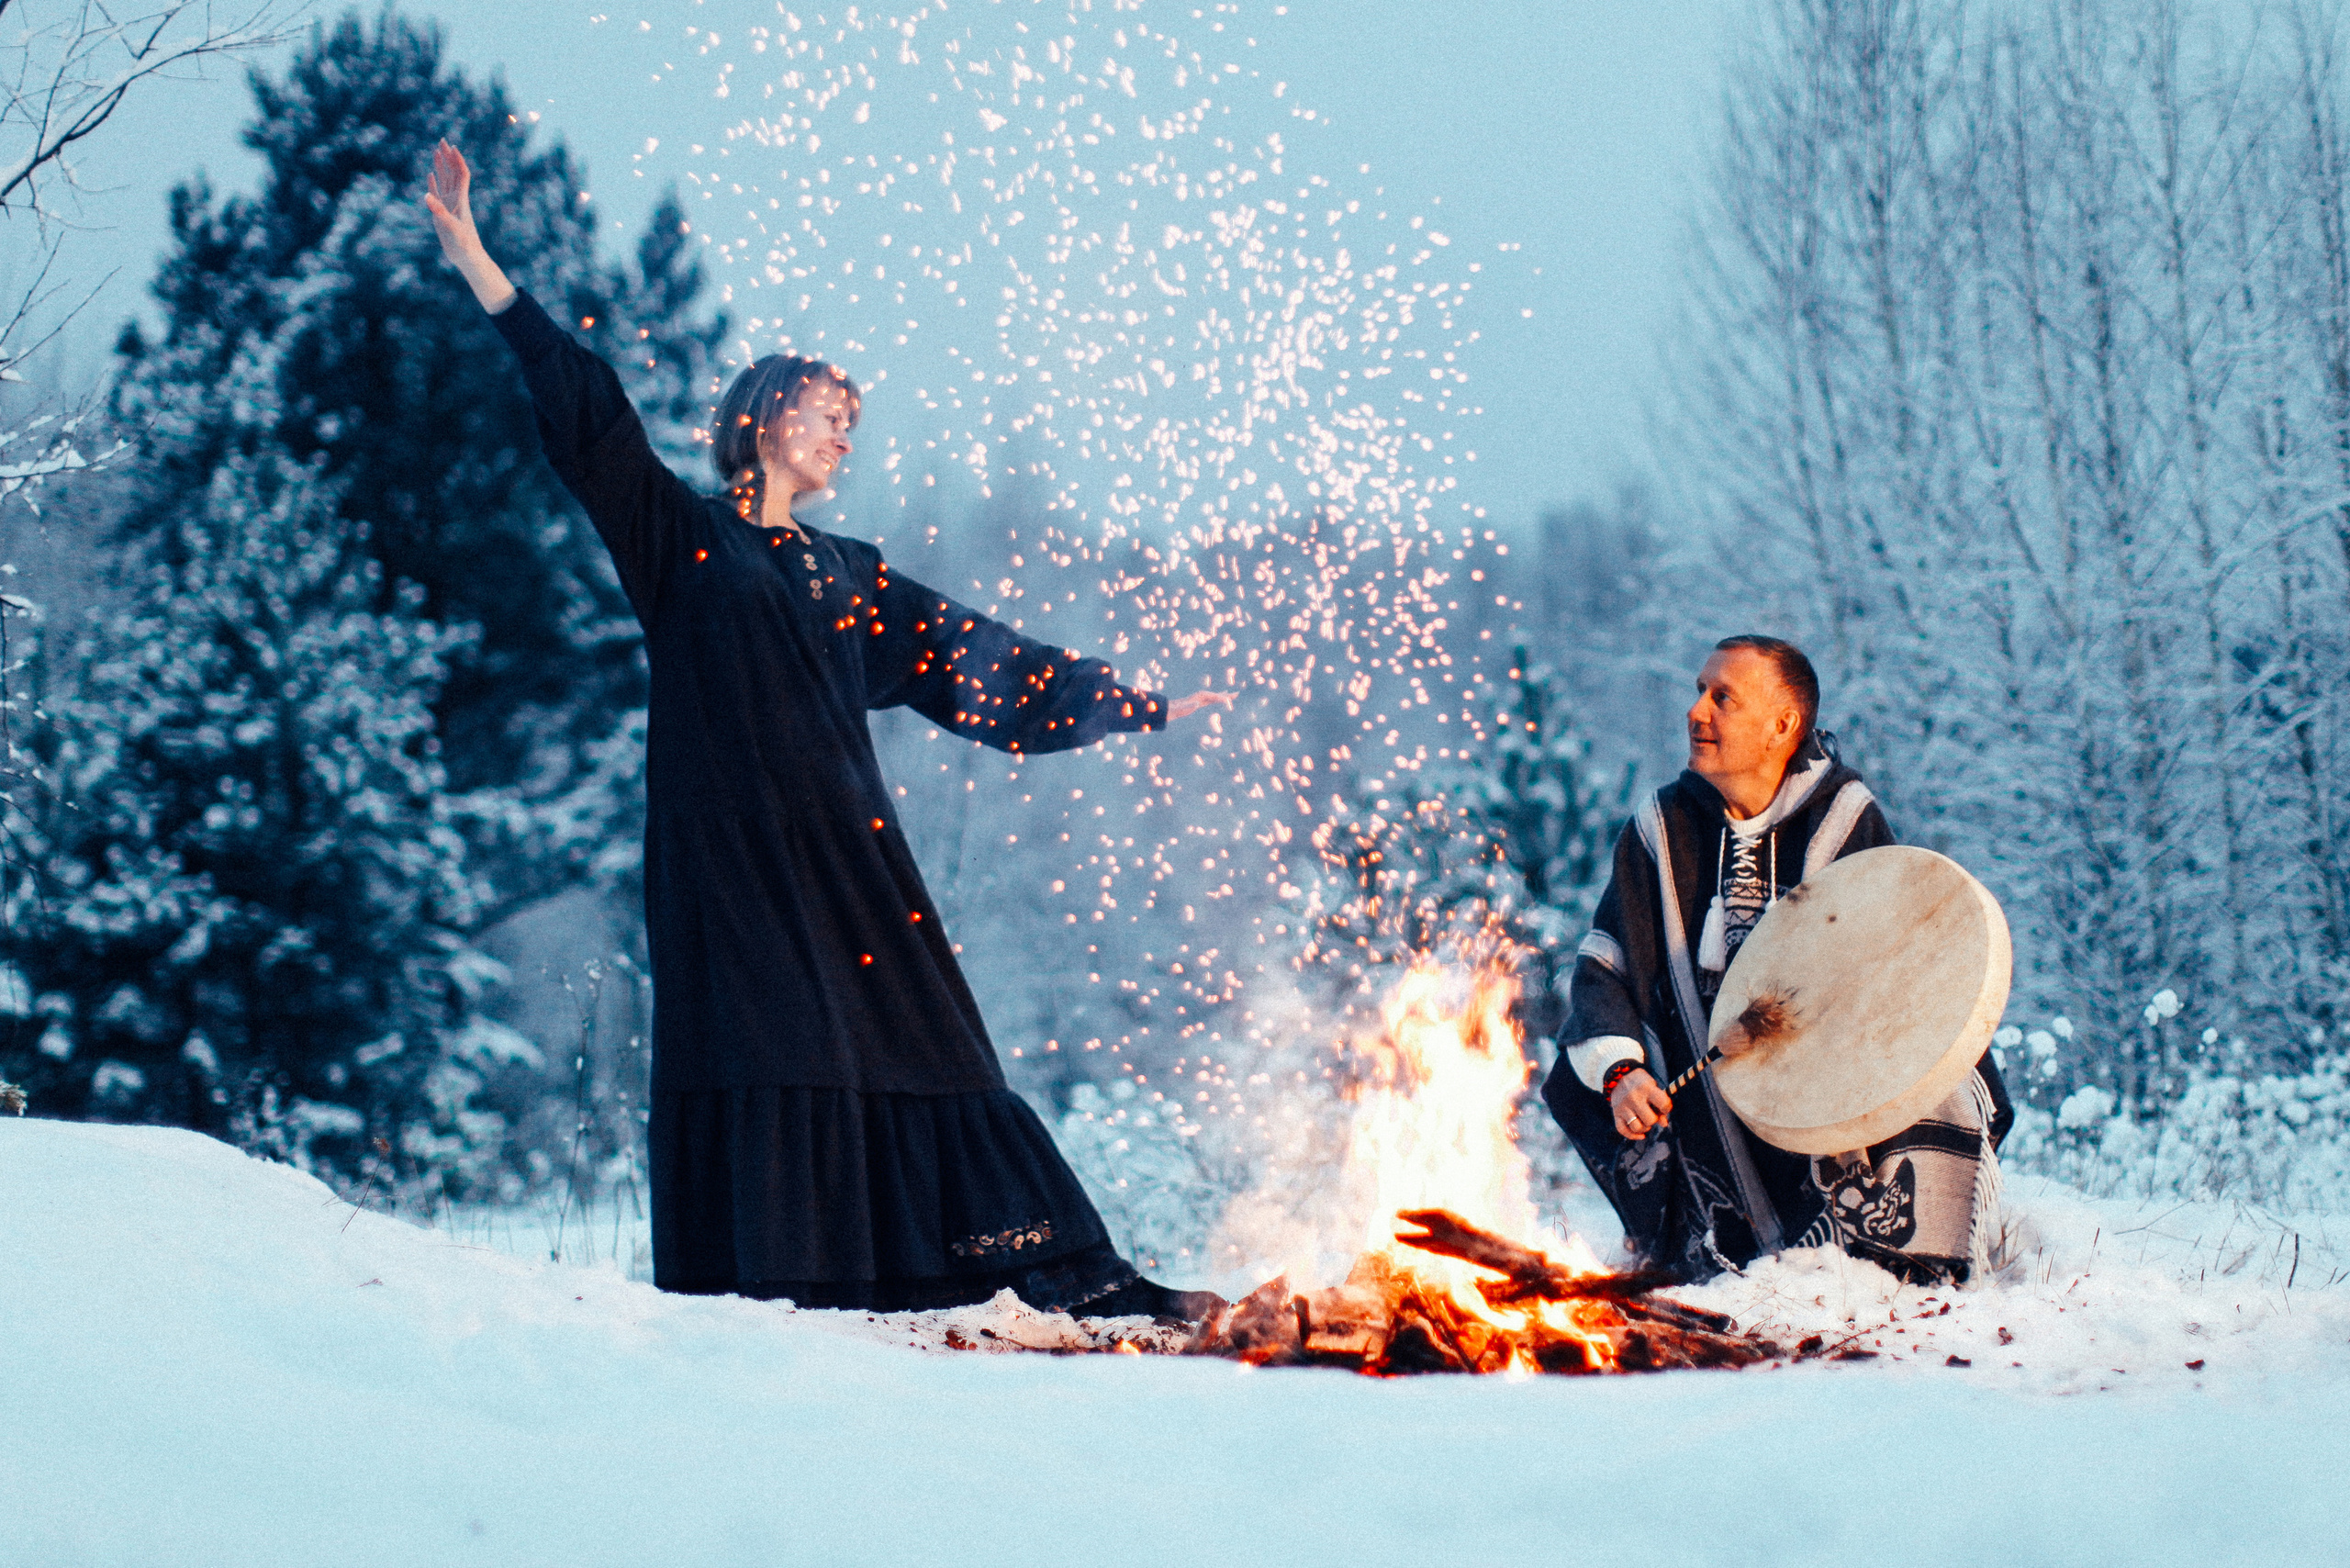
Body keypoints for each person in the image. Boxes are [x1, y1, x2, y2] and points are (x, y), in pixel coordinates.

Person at [425, 140, 1230, 1318]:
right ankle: (794, 1286)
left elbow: (979, 666)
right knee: (778, 1043)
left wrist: (1130, 700)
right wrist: (479, 262)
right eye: (825, 410)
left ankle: (1052, 1274)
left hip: (852, 860)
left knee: (928, 1038)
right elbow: (589, 417)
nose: (844, 432)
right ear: (759, 420)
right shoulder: (684, 542)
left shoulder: (851, 574)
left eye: (853, 420)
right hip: (733, 864)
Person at [1542, 635, 2011, 1284]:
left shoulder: (1846, 820)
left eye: (1722, 697)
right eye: (1699, 690)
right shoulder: (1661, 826)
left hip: (1829, 1092)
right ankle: (1705, 1251)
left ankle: (1893, 1266)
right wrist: (1621, 1072)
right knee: (1588, 1073)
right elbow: (1608, 963)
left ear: (1783, 725)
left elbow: (1907, 970)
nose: (1697, 710)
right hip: (1696, 1090)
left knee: (1943, 1075)